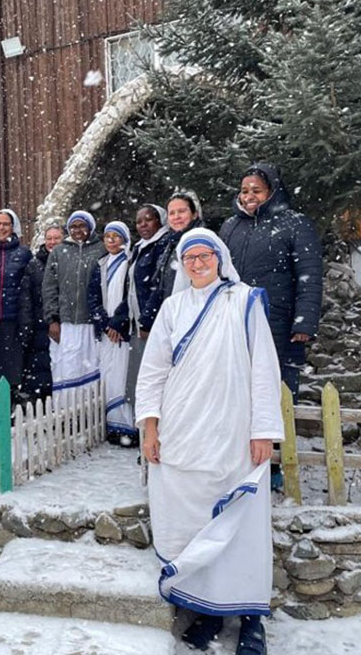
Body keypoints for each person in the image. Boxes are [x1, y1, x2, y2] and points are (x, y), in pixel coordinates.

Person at [136, 228, 283, 655]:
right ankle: (209, 610)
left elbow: (263, 369)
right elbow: (153, 372)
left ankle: (252, 619)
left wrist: (263, 432)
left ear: (220, 258)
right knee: (195, 521)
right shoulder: (172, 307)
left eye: (206, 256)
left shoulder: (244, 300)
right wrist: (150, 426)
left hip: (232, 431)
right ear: (182, 264)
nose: (198, 264)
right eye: (190, 258)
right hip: (182, 431)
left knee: (242, 521)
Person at [220, 163, 322, 489]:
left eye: (256, 190)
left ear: (272, 192)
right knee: (236, 386)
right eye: (245, 190)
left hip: (277, 322)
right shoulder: (229, 228)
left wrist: (304, 320)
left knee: (276, 389)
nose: (249, 196)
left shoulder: (295, 224)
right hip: (235, 321)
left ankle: (276, 461)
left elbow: (309, 275)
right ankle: (238, 456)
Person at [114, 204, 171, 433]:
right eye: (139, 221)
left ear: (160, 221)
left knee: (154, 378)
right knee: (140, 379)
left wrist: (148, 319)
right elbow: (130, 287)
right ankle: (144, 434)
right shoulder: (139, 248)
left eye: (149, 220)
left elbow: (157, 287)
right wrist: (120, 316)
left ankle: (157, 432)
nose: (143, 225)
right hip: (137, 325)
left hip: (152, 326)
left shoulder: (162, 245)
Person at [42, 210, 106, 398]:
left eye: (82, 225)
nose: (77, 230)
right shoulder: (60, 252)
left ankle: (89, 412)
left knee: (91, 365)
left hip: (91, 322)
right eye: (73, 226)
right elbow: (49, 288)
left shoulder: (100, 250)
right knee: (67, 366)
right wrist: (52, 319)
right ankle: (66, 412)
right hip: (66, 322)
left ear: (90, 227)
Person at [87, 220, 133, 445]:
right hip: (106, 332)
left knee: (123, 375)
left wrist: (118, 322)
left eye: (116, 236)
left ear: (124, 239)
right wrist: (105, 323)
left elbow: (130, 296)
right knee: (108, 375)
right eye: (108, 236)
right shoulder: (101, 264)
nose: (112, 240)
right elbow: (93, 296)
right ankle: (111, 425)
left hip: (122, 331)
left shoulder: (130, 263)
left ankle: (127, 426)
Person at [0, 209, 33, 405]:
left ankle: (8, 409)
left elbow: (27, 287)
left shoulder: (23, 253)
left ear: (13, 228)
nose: (1, 228)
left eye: (6, 224)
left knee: (11, 368)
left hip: (13, 319)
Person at [140, 191, 205, 334]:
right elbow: (161, 285)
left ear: (194, 214)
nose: (176, 217)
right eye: (172, 213)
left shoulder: (202, 242)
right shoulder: (171, 244)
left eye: (182, 211)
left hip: (195, 323)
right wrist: (147, 319)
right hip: (173, 320)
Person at [18, 224, 64, 405]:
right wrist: (27, 326)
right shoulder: (34, 265)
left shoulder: (68, 261)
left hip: (63, 324)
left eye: (56, 238)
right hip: (38, 326)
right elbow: (25, 299)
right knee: (39, 371)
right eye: (49, 238)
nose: (52, 242)